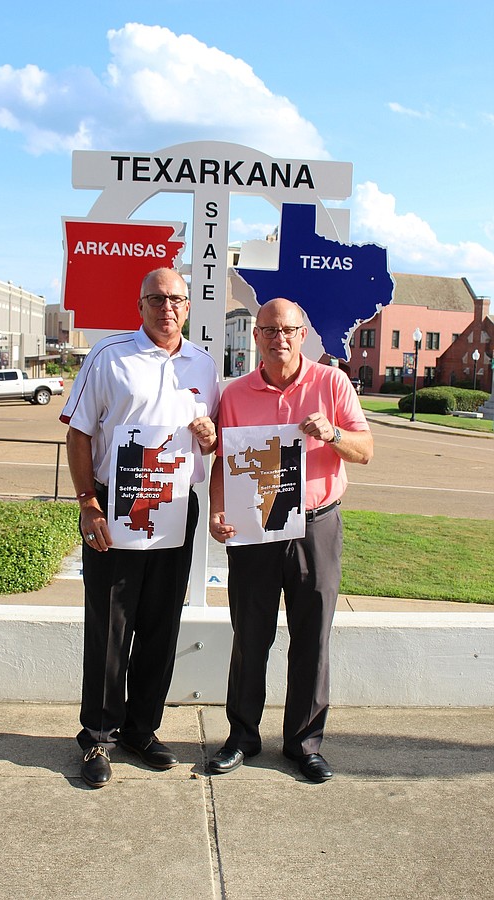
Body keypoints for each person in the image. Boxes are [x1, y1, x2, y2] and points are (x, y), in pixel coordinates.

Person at [61, 268, 219, 788]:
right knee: (110, 625)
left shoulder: (204, 364)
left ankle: (141, 730)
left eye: (175, 299)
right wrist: (88, 503)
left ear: (188, 306)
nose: (166, 307)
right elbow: (80, 433)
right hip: (116, 505)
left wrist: (209, 436)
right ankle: (98, 737)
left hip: (175, 505)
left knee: (160, 623)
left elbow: (211, 446)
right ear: (140, 304)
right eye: (156, 298)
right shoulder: (109, 356)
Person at [208, 297, 373, 782]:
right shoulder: (235, 394)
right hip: (256, 528)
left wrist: (333, 433)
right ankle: (242, 736)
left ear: (303, 335)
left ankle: (304, 743)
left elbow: (364, 451)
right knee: (250, 636)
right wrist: (219, 508)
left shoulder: (332, 383)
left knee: (312, 637)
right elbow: (224, 461)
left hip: (316, 524)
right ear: (255, 337)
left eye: (287, 330)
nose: (278, 338)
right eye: (268, 330)